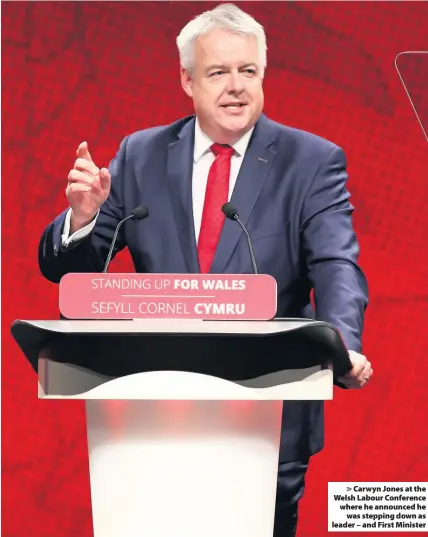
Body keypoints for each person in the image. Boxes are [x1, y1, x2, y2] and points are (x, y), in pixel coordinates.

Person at [38, 3, 373, 536]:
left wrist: (343, 341)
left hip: (268, 417)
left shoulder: (311, 160)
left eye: (249, 71)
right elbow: (75, 268)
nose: (236, 87)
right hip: (154, 417)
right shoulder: (139, 155)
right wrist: (82, 218)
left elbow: (336, 263)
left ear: (264, 75)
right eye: (219, 72)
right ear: (187, 81)